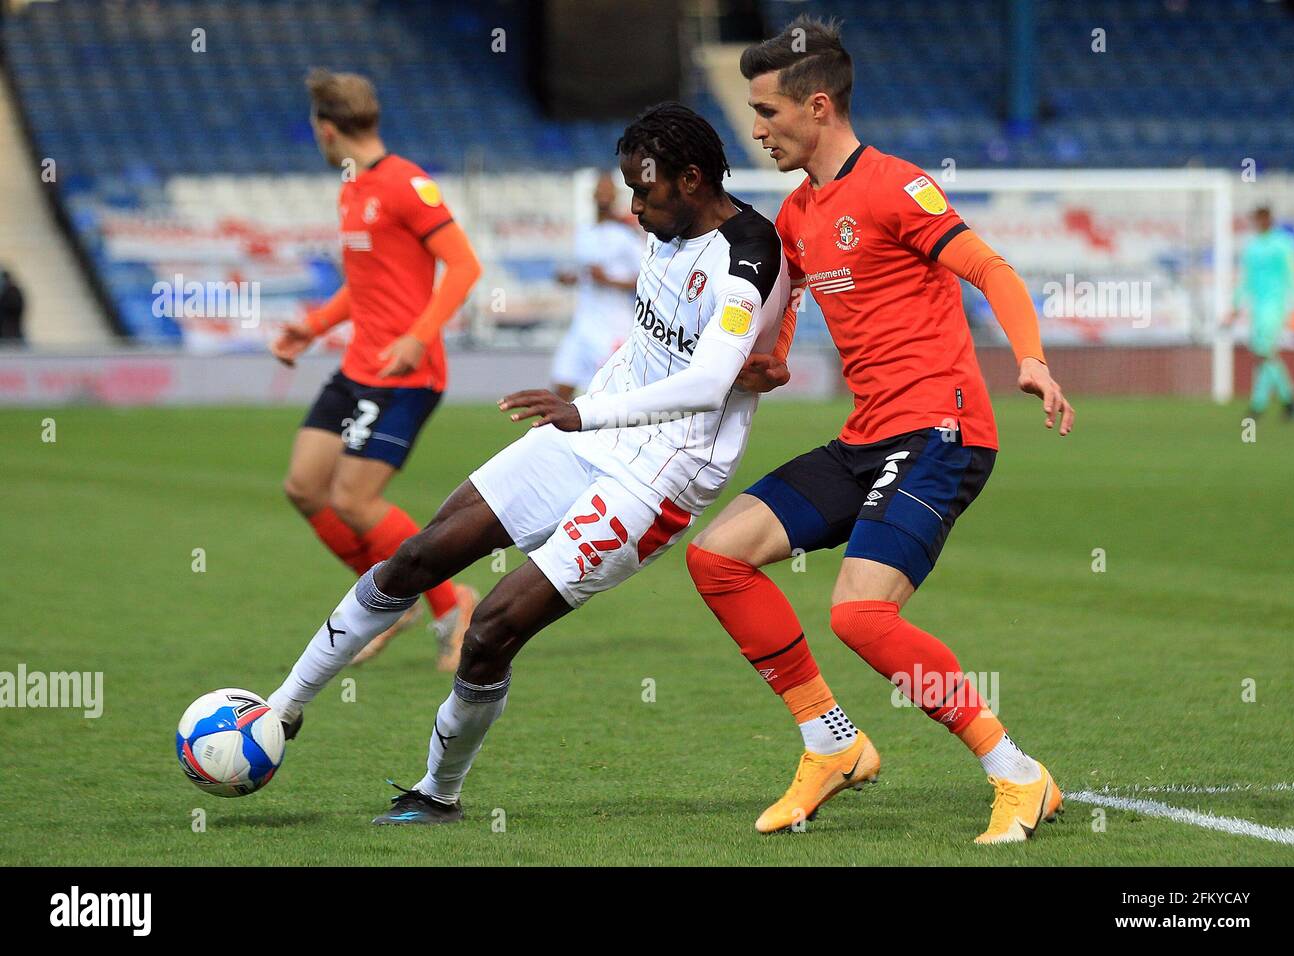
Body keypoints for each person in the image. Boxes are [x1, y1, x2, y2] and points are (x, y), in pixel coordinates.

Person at [264, 103, 791, 825]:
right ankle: (282, 709)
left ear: (694, 179)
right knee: (421, 554)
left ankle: (436, 792)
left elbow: (705, 382)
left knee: (492, 632)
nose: (634, 210)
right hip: (583, 438)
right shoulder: (670, 225)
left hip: (658, 474)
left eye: (646, 193)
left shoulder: (749, 252)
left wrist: (585, 410)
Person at [685, 16, 1075, 843]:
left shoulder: (897, 187)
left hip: (943, 430)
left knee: (860, 616)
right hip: (869, 437)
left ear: (817, 106)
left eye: (767, 113)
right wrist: (759, 364)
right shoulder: (796, 214)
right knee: (719, 557)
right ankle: (830, 742)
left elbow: (991, 269)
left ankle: (1018, 774)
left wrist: (1031, 359)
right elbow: (781, 334)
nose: (755, 130)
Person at [269, 69, 479, 669]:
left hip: (406, 374)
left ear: (326, 129)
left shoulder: (406, 184)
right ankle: (390, 599)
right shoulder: (351, 186)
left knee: (356, 500)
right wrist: (313, 325)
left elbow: (463, 267)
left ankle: (452, 606)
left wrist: (418, 336)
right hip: (358, 366)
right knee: (305, 487)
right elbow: (363, 288)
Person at [551, 172, 643, 400]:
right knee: (562, 386)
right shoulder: (584, 233)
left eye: (607, 190)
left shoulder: (626, 236)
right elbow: (576, 271)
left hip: (613, 326)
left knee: (609, 394)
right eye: (599, 190)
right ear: (592, 195)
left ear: (615, 195)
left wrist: (609, 281)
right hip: (582, 324)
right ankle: (560, 435)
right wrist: (569, 278)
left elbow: (647, 281)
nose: (603, 194)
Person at [1228, 206, 1294, 420]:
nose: (1258, 224)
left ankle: (1259, 405)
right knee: (1264, 355)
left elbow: (1292, 275)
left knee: (1263, 353)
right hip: (1257, 308)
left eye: (1261, 219)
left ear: (1269, 219)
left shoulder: (1283, 244)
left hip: (1276, 306)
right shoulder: (1252, 247)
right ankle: (1287, 400)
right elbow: (1246, 280)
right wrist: (1235, 306)